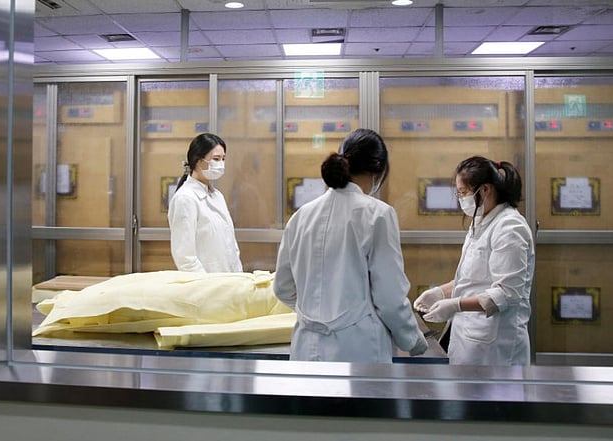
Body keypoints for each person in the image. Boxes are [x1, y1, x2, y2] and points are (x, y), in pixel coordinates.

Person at [273, 128, 428, 363]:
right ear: (378, 170)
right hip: (359, 350)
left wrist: (319, 314)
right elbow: (389, 297)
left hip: (306, 348)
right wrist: (413, 340)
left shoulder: (302, 215)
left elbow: (282, 287)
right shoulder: (377, 215)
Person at [413, 156, 535, 366]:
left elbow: (505, 294)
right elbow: (472, 279)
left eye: (463, 192)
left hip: (497, 349)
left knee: (493, 398)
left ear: (485, 190)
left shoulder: (510, 228)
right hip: (470, 339)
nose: (460, 198)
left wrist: (455, 305)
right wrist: (440, 292)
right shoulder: (482, 222)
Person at [168, 133, 242, 273]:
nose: (220, 164)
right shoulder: (185, 199)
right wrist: (206, 286)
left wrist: (238, 276)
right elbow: (185, 258)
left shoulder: (217, 196)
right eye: (215, 159)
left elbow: (230, 245)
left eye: (223, 159)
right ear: (198, 160)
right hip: (207, 287)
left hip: (229, 282)